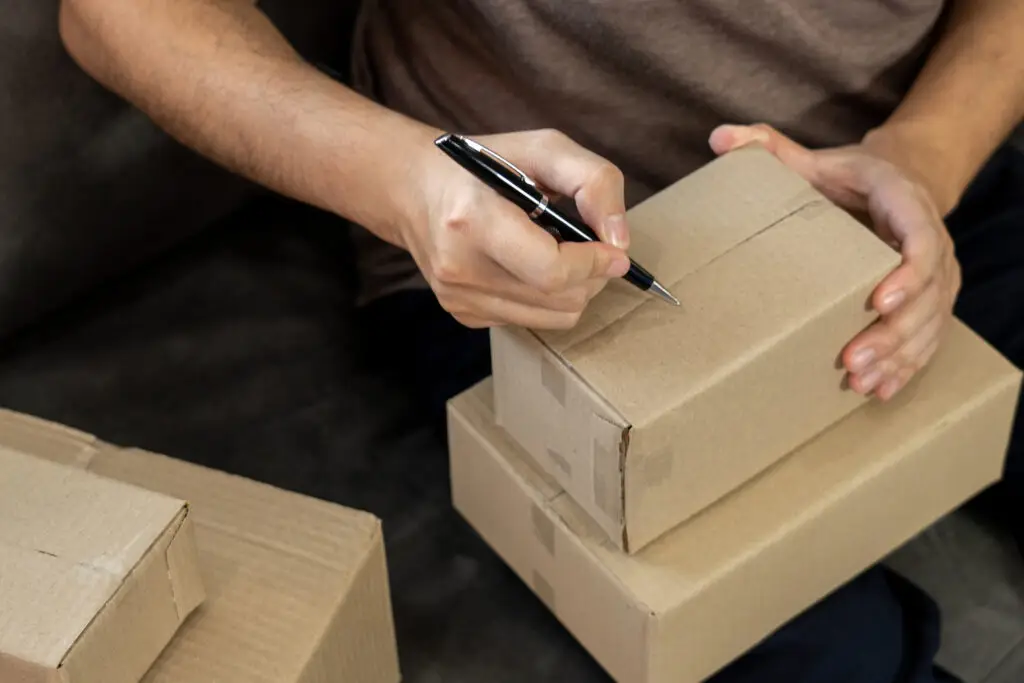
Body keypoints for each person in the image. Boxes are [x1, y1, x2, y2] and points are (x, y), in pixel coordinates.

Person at [57, 1, 1024, 681]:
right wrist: (405, 179)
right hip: (518, 256)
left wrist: (924, 155)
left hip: (890, 171)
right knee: (821, 653)